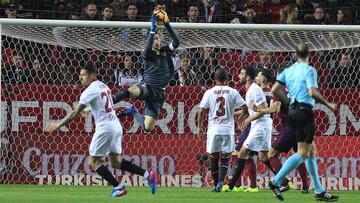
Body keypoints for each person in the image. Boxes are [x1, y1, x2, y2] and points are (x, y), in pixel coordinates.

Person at [46, 63, 158, 197]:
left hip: (105, 129)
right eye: (80, 75)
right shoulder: (103, 86)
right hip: (116, 127)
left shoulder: (88, 91)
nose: (80, 78)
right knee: (116, 162)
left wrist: (58, 125)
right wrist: (89, 109)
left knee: (93, 162)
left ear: (92, 75)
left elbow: (75, 112)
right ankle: (148, 174)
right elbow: (105, 105)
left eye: (83, 75)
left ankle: (119, 187)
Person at [268, 43, 338, 201]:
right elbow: (312, 92)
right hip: (304, 112)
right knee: (303, 153)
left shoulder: (288, 70)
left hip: (293, 112)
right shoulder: (310, 70)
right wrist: (328, 104)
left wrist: (289, 101)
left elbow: (274, 89)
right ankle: (276, 181)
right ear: (308, 54)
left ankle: (319, 190)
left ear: (295, 54)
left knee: (311, 152)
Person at [112, 11, 180, 133]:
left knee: (147, 128)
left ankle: (133, 111)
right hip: (147, 86)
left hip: (158, 93)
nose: (156, 40)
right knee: (131, 91)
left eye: (158, 38)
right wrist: (152, 29)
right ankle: (108, 101)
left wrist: (167, 24)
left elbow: (176, 42)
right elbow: (148, 47)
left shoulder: (166, 51)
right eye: (154, 39)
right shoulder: (146, 52)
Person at [253, 67, 309, 194]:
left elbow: (275, 109)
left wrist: (259, 110)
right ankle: (305, 186)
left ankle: (282, 182)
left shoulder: (279, 89)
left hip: (290, 126)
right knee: (298, 155)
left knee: (271, 154)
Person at [222, 66, 276, 192]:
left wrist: (247, 120)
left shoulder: (255, 90)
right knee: (263, 157)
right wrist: (241, 115)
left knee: (241, 153)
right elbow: (252, 108)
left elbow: (262, 110)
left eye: (241, 74)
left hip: (260, 125)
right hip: (262, 125)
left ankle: (231, 185)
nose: (238, 76)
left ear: (247, 77)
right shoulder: (251, 89)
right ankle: (284, 180)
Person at [197, 68, 246, 192]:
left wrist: (199, 128)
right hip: (227, 129)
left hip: (213, 129)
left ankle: (215, 185)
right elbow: (245, 108)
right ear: (227, 79)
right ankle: (220, 182)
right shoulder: (232, 91)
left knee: (213, 157)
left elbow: (201, 110)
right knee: (225, 158)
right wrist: (240, 117)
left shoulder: (209, 92)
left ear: (214, 80)